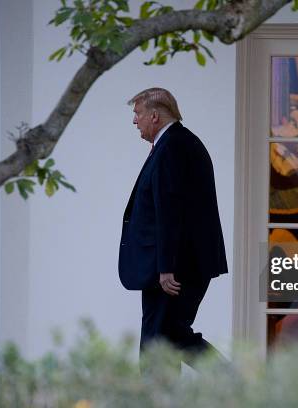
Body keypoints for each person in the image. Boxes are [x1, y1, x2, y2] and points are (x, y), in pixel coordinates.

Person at [118, 87, 228, 371]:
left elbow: (170, 210)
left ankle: (233, 382)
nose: (134, 121)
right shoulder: (176, 144)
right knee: (164, 338)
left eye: (137, 113)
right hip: (171, 268)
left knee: (162, 341)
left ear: (154, 116)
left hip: (173, 271)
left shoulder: (174, 147)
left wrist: (166, 267)